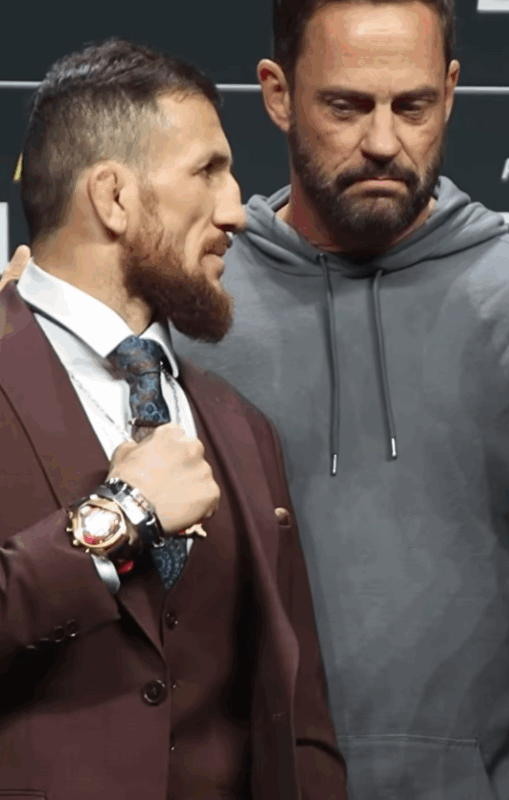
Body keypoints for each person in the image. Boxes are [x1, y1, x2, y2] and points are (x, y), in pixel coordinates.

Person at [177, 2, 509, 797]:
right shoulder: (191, 318)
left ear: (452, 93)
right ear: (277, 94)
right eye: (346, 106)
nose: (382, 141)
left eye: (413, 106)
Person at [0, 38, 347, 800]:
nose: (237, 212)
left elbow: (300, 721)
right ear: (114, 198)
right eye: (207, 172)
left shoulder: (241, 428)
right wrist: (121, 516)